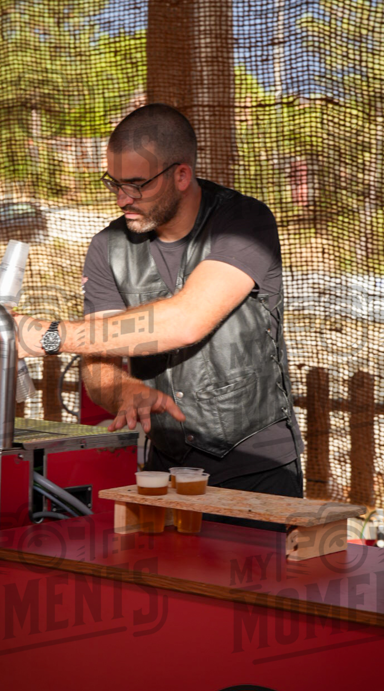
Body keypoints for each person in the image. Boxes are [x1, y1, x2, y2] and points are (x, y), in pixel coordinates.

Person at [16, 103, 304, 499]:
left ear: (181, 175)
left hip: (256, 467)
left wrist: (49, 335)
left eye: (137, 185)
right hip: (165, 467)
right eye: (114, 183)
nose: (122, 199)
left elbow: (186, 320)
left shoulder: (243, 222)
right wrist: (122, 389)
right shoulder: (107, 246)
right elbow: (98, 363)